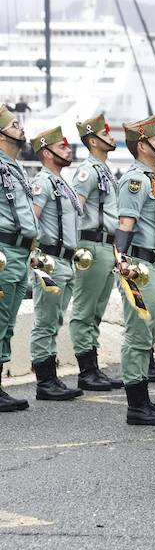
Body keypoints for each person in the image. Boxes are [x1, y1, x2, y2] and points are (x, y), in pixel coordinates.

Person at [112, 117, 155, 426]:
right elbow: (126, 224)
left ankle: (142, 401)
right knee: (138, 336)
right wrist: (122, 261)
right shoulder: (135, 179)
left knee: (147, 334)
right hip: (140, 268)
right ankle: (137, 405)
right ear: (143, 144)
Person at [28, 125, 84, 402]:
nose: (68, 149)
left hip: (65, 260)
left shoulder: (62, 182)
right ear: (46, 153)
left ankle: (51, 378)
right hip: (50, 260)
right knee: (45, 321)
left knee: (55, 319)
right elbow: (32, 219)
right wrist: (35, 257)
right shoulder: (43, 182)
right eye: (61, 146)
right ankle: (45, 381)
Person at [69, 114, 124, 392]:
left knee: (96, 310)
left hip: (105, 245)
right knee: (84, 309)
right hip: (90, 244)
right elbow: (74, 209)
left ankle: (93, 368)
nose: (112, 137)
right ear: (93, 140)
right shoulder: (88, 171)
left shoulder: (103, 169)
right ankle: (86, 371)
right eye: (106, 133)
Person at [0, 108, 37, 412]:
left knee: (7, 321)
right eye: (14, 125)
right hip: (4, 252)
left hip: (20, 253)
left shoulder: (14, 167)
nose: (21, 129)